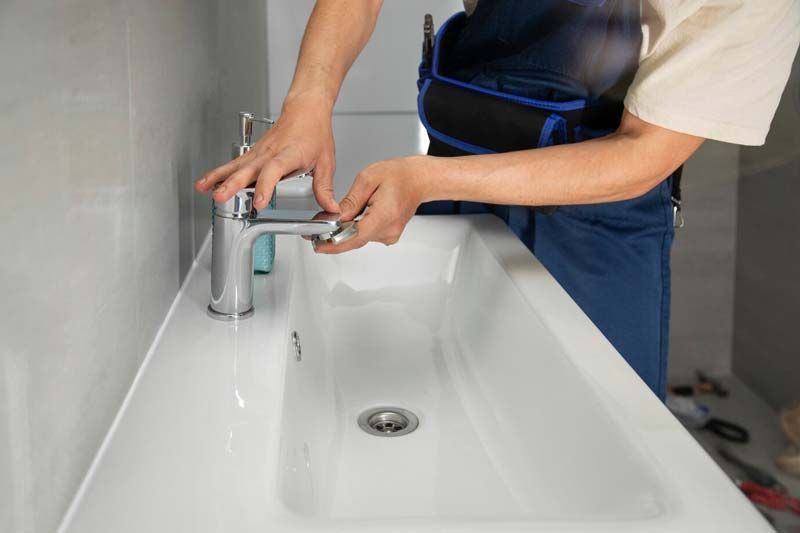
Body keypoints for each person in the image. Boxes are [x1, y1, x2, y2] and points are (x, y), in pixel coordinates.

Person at [195, 0, 800, 398]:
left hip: (594, 225)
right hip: (452, 182)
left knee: (587, 471)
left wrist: (428, 181)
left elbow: (642, 155)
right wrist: (308, 102)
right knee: (447, 409)